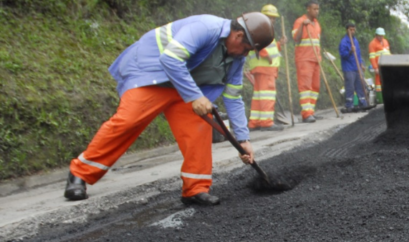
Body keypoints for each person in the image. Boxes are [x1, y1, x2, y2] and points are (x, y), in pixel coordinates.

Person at [64, 13, 274, 205]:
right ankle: (80, 174)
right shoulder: (205, 27)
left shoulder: (236, 58)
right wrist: (195, 96)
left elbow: (233, 96)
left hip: (185, 87)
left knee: (199, 127)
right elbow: (170, 59)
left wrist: (243, 139)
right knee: (128, 121)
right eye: (247, 49)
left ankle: (195, 189)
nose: (245, 54)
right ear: (238, 36)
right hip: (152, 74)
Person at [246, 4, 286, 131]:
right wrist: (266, 56)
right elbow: (257, 44)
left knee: (259, 96)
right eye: (270, 17)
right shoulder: (262, 29)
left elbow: (270, 48)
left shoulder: (262, 28)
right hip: (265, 67)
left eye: (274, 18)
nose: (272, 20)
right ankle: (266, 122)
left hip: (260, 68)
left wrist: (279, 44)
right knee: (267, 95)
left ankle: (255, 122)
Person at [292, 0, 322, 123]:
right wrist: (302, 26)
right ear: (308, 9)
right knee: (305, 87)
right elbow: (296, 39)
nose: (316, 11)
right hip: (304, 59)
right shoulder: (300, 21)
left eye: (318, 9)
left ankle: (311, 111)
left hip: (315, 59)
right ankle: (306, 113)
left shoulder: (317, 24)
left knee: (315, 87)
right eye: (314, 9)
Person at [339, 22, 369, 113]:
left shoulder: (355, 41)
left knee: (360, 85)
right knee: (350, 87)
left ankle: (362, 103)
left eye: (353, 29)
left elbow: (358, 55)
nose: (352, 31)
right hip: (348, 68)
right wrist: (350, 51)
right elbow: (343, 55)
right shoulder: (344, 42)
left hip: (357, 67)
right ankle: (349, 105)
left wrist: (361, 64)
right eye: (350, 30)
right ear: (347, 30)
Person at [368, 27, 390, 104]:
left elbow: (388, 53)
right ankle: (380, 99)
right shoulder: (372, 44)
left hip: (387, 66)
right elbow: (372, 57)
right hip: (379, 66)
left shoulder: (385, 42)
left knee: (388, 81)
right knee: (378, 83)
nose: (381, 37)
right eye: (379, 36)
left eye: (382, 36)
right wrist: (375, 68)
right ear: (376, 35)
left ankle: (388, 97)